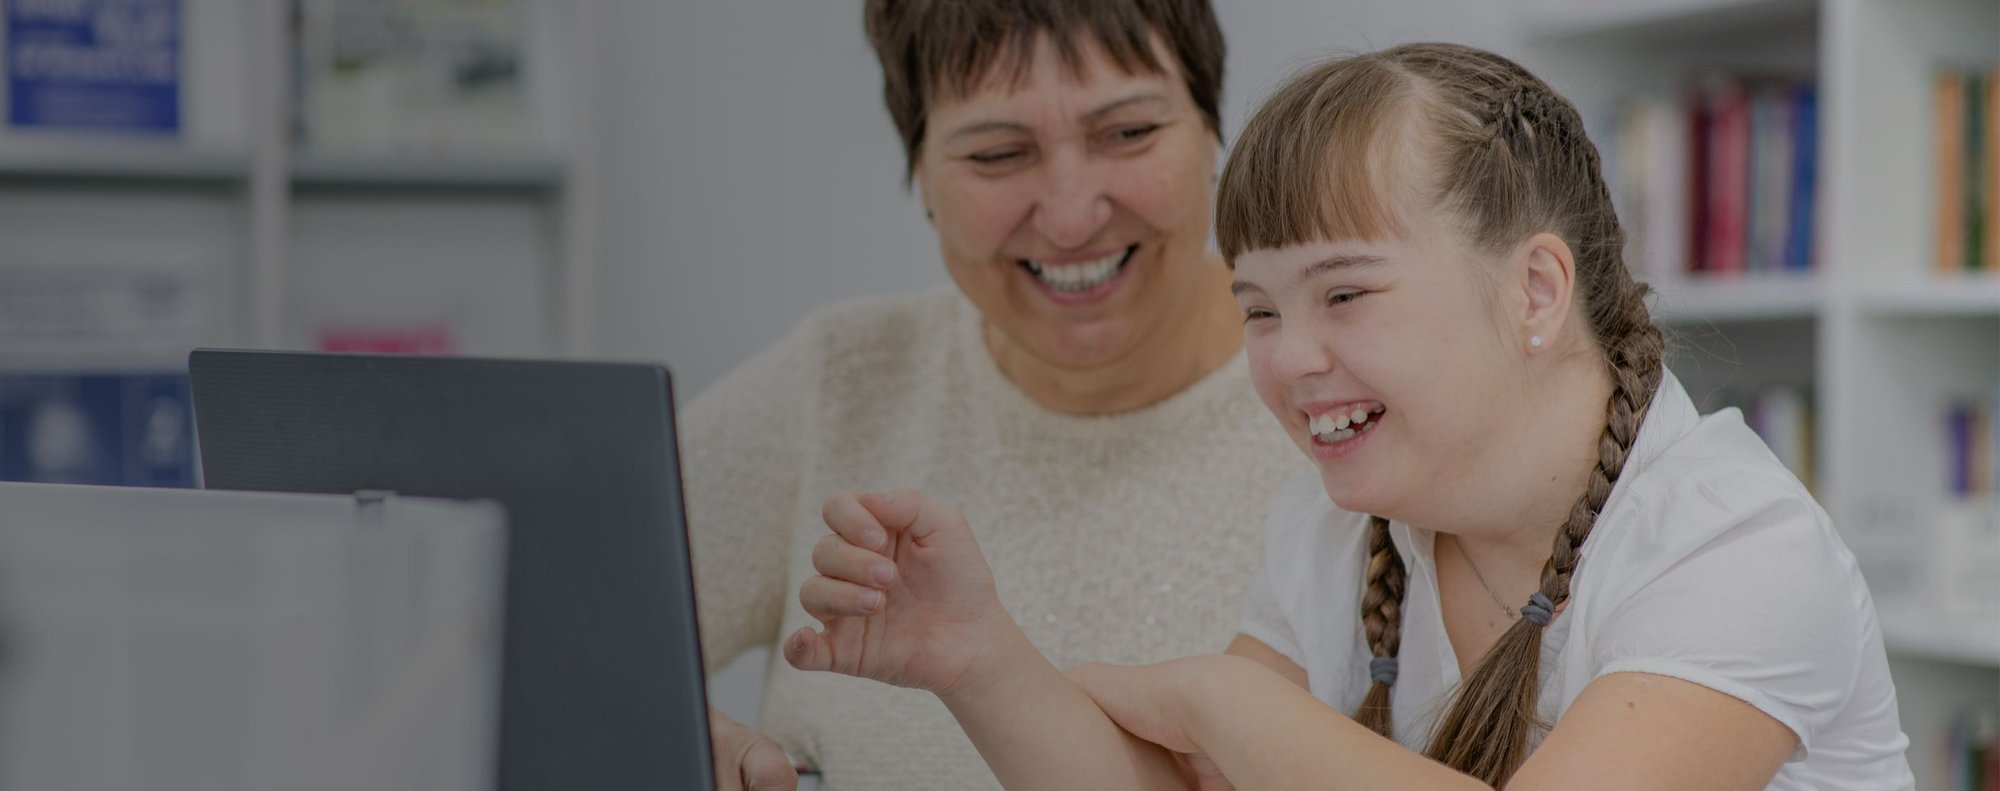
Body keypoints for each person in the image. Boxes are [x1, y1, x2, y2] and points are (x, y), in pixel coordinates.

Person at [784, 42, 1916, 790]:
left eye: (1342, 293)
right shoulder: (1336, 529)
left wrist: (1216, 698)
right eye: (1258, 308)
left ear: (1533, 290)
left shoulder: (1735, 547)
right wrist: (975, 655)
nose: (1285, 359)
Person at [681, 1, 1303, 788]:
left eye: (1128, 134)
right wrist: (676, 736)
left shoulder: (1346, 415)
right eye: (1000, 154)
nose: (1073, 217)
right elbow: (534, 625)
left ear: (1214, 134)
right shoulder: (839, 379)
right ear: (921, 177)